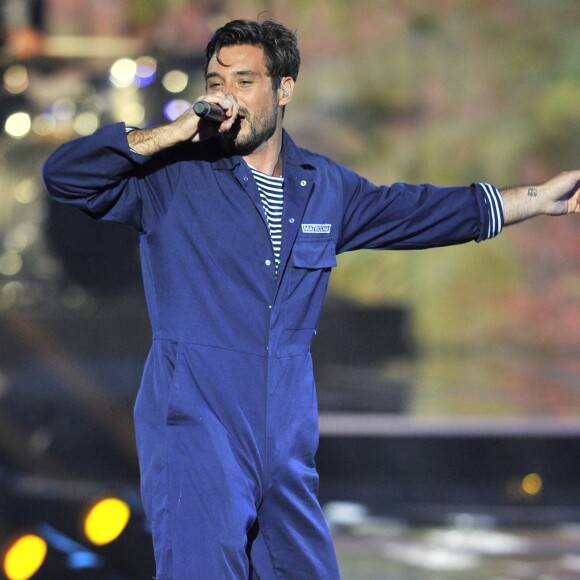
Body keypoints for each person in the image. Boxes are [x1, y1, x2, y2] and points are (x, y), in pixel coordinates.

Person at [42, 18, 580, 580]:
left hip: (285, 431)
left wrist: (539, 197)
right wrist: (163, 136)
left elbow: (421, 211)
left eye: (244, 81)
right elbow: (67, 178)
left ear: (283, 89)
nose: (225, 95)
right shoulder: (172, 175)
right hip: (195, 422)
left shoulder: (324, 186)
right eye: (215, 80)